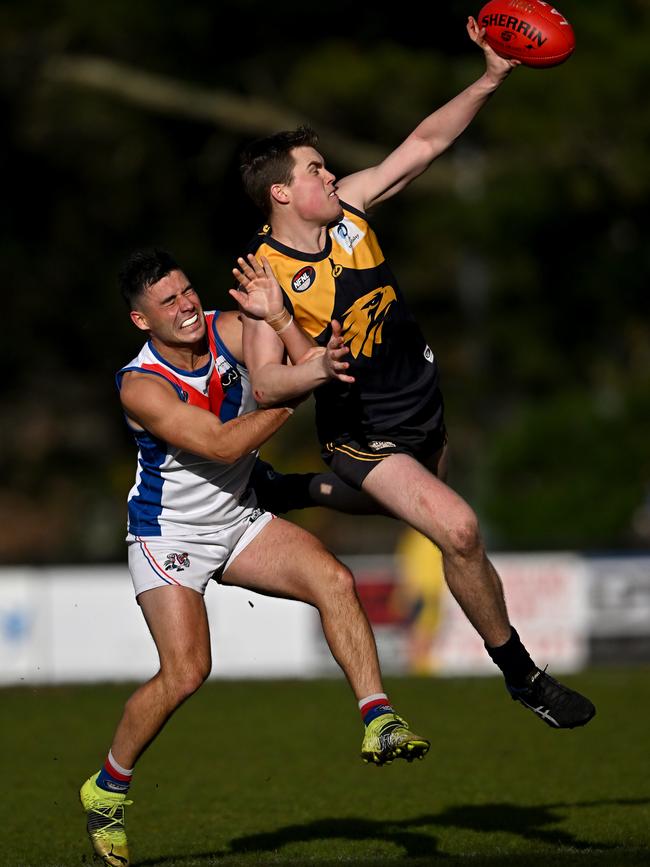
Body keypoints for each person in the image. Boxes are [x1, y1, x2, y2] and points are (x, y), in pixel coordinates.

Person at [231, 17, 596, 735]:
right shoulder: (262, 279)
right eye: (314, 170)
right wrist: (302, 352)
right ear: (280, 194)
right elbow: (268, 384)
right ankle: (523, 676)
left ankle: (293, 489)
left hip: (421, 407)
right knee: (457, 528)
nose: (330, 174)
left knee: (419, 506)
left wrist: (489, 80)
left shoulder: (349, 214)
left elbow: (424, 144)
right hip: (361, 432)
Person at [79, 249, 429, 867]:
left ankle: (378, 716)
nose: (187, 305)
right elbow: (218, 443)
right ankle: (106, 788)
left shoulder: (228, 328)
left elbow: (297, 355)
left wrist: (279, 315)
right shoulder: (142, 385)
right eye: (168, 301)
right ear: (141, 322)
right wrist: (289, 393)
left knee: (334, 578)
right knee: (186, 672)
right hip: (170, 534)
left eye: (188, 290)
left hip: (239, 517)